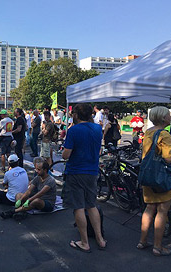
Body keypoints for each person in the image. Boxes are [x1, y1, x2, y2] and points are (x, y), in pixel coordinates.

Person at [62, 103, 107, 253]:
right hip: (92, 171)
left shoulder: (73, 130)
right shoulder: (96, 129)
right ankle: (100, 239)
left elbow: (66, 155)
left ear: (76, 115)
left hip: (76, 172)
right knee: (91, 205)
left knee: (78, 207)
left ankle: (84, 242)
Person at [137, 106, 171, 256]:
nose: (170, 116)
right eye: (169, 115)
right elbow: (168, 158)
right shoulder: (164, 135)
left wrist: (170, 140)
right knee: (162, 211)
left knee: (149, 209)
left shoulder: (149, 132)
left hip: (149, 175)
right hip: (162, 178)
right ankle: (158, 246)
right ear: (163, 118)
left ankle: (142, 241)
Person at [0, 109, 14, 174]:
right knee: (8, 153)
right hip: (10, 137)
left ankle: (3, 168)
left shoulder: (2, 121)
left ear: (3, 115)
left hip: (3, 137)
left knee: (2, 154)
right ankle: (9, 167)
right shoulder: (11, 121)